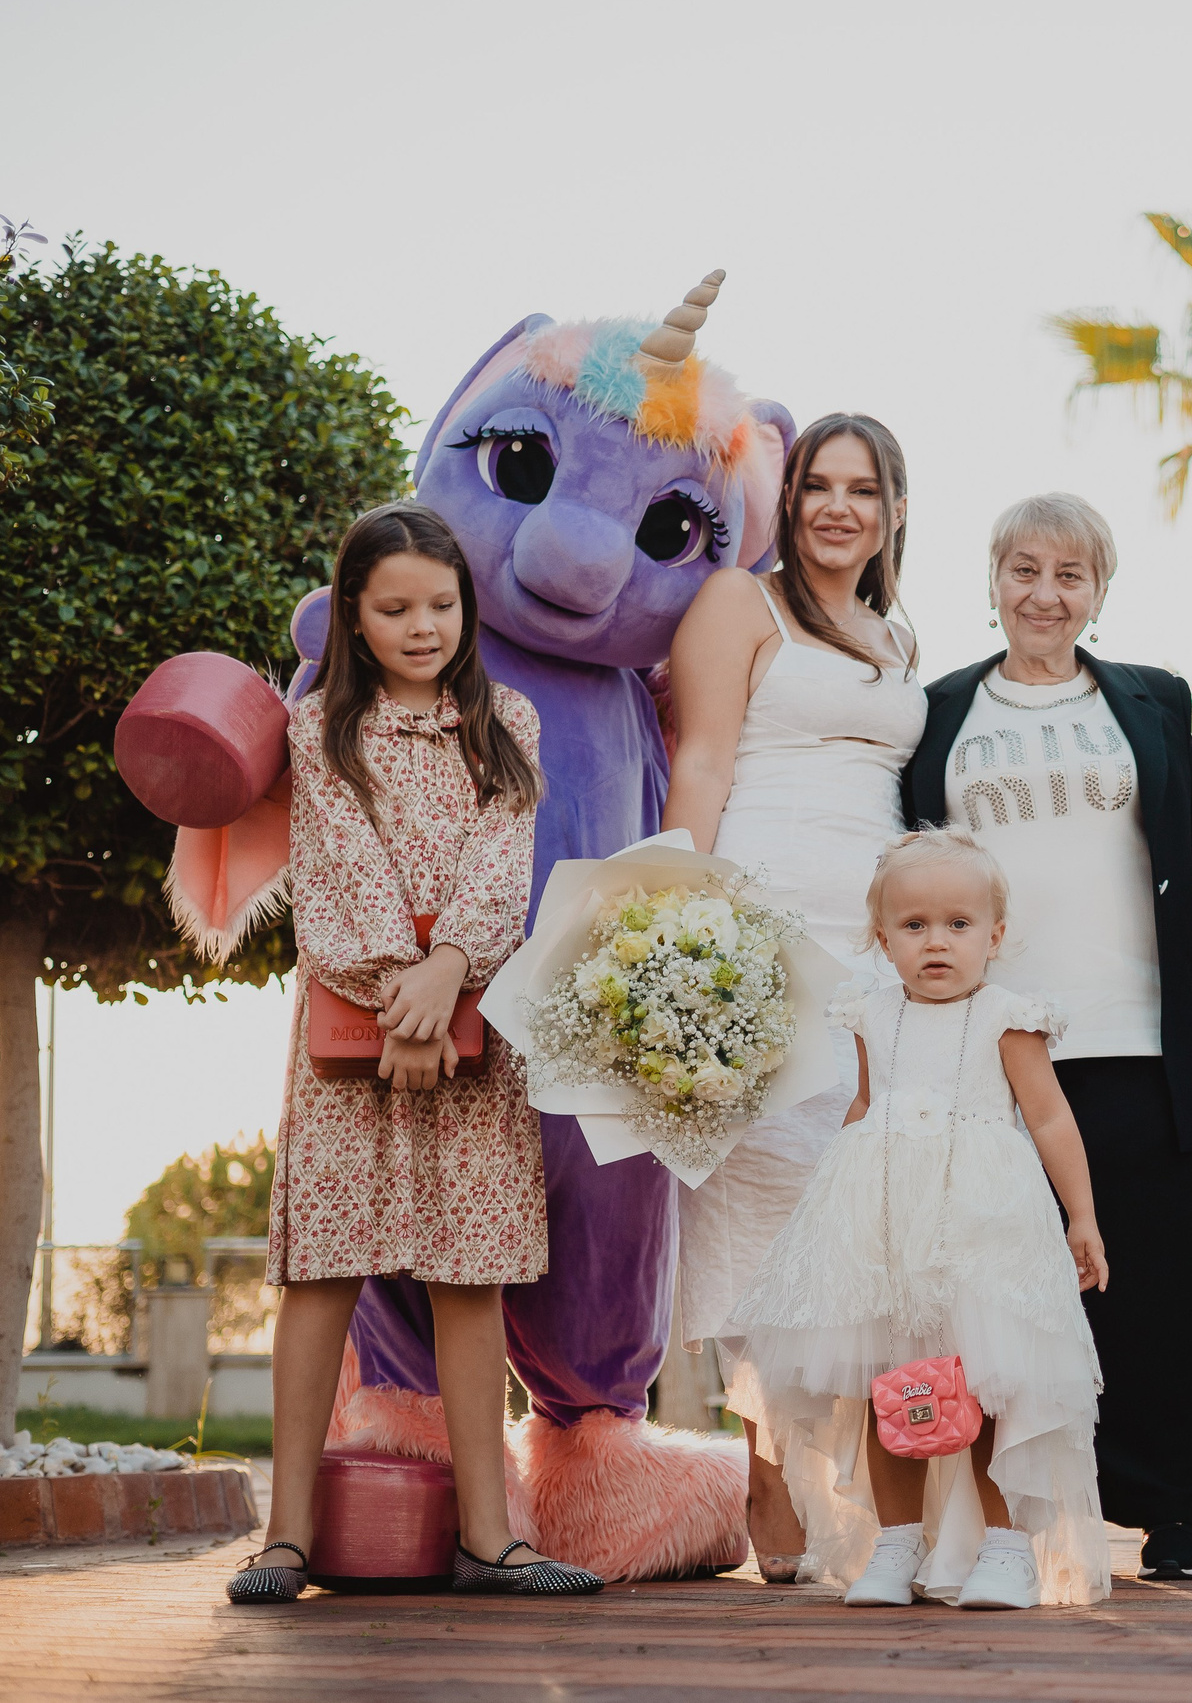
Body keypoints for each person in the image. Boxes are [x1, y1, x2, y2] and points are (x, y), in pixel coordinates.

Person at [230, 503, 599, 1602]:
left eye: (441, 604)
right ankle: (284, 1537)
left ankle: (491, 1537)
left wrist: (453, 977)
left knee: (468, 1275)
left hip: (472, 1030)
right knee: (323, 1270)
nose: (423, 625)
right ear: (354, 613)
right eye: (396, 608)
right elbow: (337, 868)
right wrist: (405, 989)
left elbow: (503, 861)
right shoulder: (317, 733)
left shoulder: (508, 723)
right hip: (356, 1030)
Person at [902, 494, 1192, 1581]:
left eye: (1070, 575)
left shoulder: (1155, 700)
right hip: (987, 1044)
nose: (1046, 594)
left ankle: (1170, 1508)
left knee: (1154, 1282)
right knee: (990, 1286)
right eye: (1024, 571)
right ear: (991, 578)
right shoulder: (938, 711)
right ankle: (997, 1519)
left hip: (1134, 1032)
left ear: (1100, 590)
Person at [658, 412, 926, 1581]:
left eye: (863, 489)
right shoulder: (738, 605)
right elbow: (705, 756)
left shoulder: (898, 634)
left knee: (855, 1211)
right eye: (818, 485)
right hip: (759, 928)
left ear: (895, 510)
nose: (838, 507)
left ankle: (868, 1484)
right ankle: (765, 1466)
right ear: (789, 500)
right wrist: (685, 916)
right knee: (760, 1206)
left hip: (875, 946)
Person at [732, 827, 1111, 1610]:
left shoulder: (1009, 1016)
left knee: (989, 1385)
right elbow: (865, 1108)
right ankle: (896, 1542)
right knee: (891, 1386)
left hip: (985, 1230)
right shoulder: (873, 1013)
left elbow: (1050, 1121)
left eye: (958, 924)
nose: (936, 941)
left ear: (995, 935)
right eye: (914, 926)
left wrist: (1083, 1216)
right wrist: (826, 1221)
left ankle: (1007, 1549)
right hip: (886, 1229)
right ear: (882, 938)